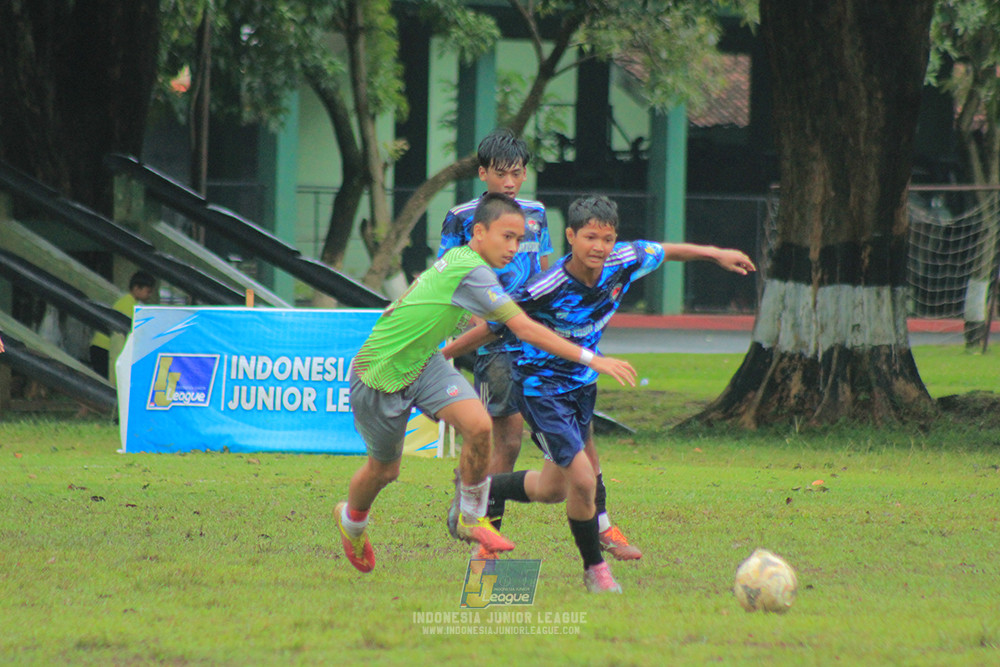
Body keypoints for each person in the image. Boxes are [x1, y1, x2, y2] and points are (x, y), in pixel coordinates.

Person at [443, 195, 756, 593]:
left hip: (580, 391)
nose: (599, 247)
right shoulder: (547, 285)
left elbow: (668, 250)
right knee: (584, 481)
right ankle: (595, 570)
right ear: (571, 236)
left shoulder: (622, 262)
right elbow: (496, 326)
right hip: (542, 391)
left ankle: (475, 489)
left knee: (552, 489)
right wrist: (448, 352)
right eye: (590, 237)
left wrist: (718, 254)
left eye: (607, 239)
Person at [335, 193, 637, 574]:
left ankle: (471, 515)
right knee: (385, 472)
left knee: (479, 426)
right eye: (506, 237)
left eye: (519, 239)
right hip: (379, 371)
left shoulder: (475, 268)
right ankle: (352, 521)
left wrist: (446, 354)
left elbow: (491, 330)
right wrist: (594, 359)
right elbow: (523, 327)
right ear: (478, 232)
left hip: (425, 360)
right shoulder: (471, 270)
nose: (514, 248)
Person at [438, 128, 637, 560]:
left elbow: (548, 270)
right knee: (506, 439)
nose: (510, 182)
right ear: (483, 173)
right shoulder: (460, 217)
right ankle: (486, 533)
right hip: (494, 339)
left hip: (538, 338)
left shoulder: (535, 213)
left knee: (582, 438)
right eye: (501, 174)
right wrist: (479, 320)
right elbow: (449, 274)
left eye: (517, 173)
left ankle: (601, 523)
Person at [89, 271, 155, 378]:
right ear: (136, 288)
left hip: (103, 348)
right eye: (148, 291)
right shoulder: (128, 305)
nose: (150, 295)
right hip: (105, 349)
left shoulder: (128, 302)